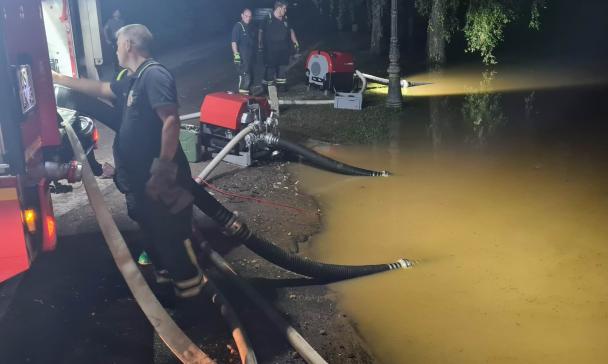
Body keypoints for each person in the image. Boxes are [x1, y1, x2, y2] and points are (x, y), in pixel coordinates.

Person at [52, 24, 203, 298]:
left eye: (118, 43)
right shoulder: (132, 80)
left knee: (171, 237)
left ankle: (195, 302)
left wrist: (162, 169)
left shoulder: (154, 75)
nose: (116, 48)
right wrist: (58, 78)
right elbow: (98, 87)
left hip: (161, 177)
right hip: (143, 177)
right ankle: (170, 287)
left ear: (129, 45)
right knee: (154, 233)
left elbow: (170, 121)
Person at [259, 1, 300, 92]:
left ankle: (281, 87)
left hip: (283, 50)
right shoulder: (268, 18)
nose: (285, 10)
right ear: (279, 8)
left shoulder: (285, 19)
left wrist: (295, 42)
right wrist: (260, 44)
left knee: (282, 69)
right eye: (284, 8)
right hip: (271, 51)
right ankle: (267, 88)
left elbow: (291, 31)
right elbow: (261, 31)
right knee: (270, 70)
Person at [231, 8, 256, 95]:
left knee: (250, 79)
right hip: (242, 59)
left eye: (250, 16)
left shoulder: (249, 26)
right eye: (246, 16)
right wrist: (236, 56)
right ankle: (242, 98)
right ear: (242, 15)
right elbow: (234, 42)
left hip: (249, 59)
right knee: (245, 78)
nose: (248, 18)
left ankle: (249, 99)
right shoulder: (238, 26)